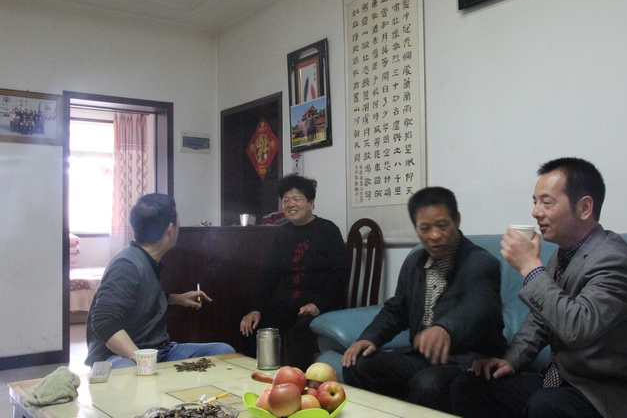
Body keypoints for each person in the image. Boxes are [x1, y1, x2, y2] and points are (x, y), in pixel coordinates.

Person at [450, 157, 627, 418]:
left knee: (547, 405)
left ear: (584, 207)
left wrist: (530, 267)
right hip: (564, 382)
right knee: (470, 387)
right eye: (535, 202)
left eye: (546, 202)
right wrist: (510, 361)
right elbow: (541, 319)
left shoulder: (614, 260)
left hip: (609, 392)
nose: (536, 212)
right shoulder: (563, 254)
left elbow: (577, 328)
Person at [341, 187, 508, 413]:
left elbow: (478, 306)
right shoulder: (415, 262)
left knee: (428, 384)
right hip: (423, 358)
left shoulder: (480, 261)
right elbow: (398, 309)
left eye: (442, 225)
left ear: (457, 220)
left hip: (469, 360)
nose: (434, 235)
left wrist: (445, 328)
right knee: (357, 365)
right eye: (425, 228)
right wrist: (370, 338)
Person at [85, 193, 235, 368]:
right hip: (119, 356)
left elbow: (138, 297)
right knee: (126, 370)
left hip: (161, 351)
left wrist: (177, 298)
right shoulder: (126, 264)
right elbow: (103, 320)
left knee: (224, 351)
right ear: (170, 229)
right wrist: (141, 359)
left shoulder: (147, 258)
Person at [239, 174, 349, 369]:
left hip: (322, 301)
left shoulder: (328, 230)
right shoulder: (282, 233)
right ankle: (258, 378)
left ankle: (299, 381)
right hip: (290, 302)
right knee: (253, 329)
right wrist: (256, 309)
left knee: (301, 331)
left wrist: (319, 304)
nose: (290, 204)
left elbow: (340, 273)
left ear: (311, 203)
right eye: (286, 200)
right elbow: (271, 274)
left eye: (297, 199)